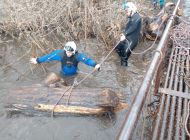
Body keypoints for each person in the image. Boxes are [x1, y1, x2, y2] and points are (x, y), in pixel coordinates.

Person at [30, 41, 100, 86]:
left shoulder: (78, 56)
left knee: (90, 79)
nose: (68, 53)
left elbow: (87, 60)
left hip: (74, 75)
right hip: (62, 74)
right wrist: (38, 60)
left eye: (70, 52)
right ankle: (39, 87)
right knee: (50, 80)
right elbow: (48, 57)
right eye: (67, 51)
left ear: (74, 51)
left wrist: (95, 64)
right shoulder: (60, 54)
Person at [115, 2, 142, 66]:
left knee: (124, 55)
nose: (126, 13)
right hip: (126, 38)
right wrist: (123, 34)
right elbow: (128, 27)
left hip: (132, 41)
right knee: (117, 48)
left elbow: (133, 27)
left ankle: (123, 72)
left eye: (127, 11)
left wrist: (124, 34)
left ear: (132, 10)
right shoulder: (132, 17)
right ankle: (120, 63)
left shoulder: (137, 17)